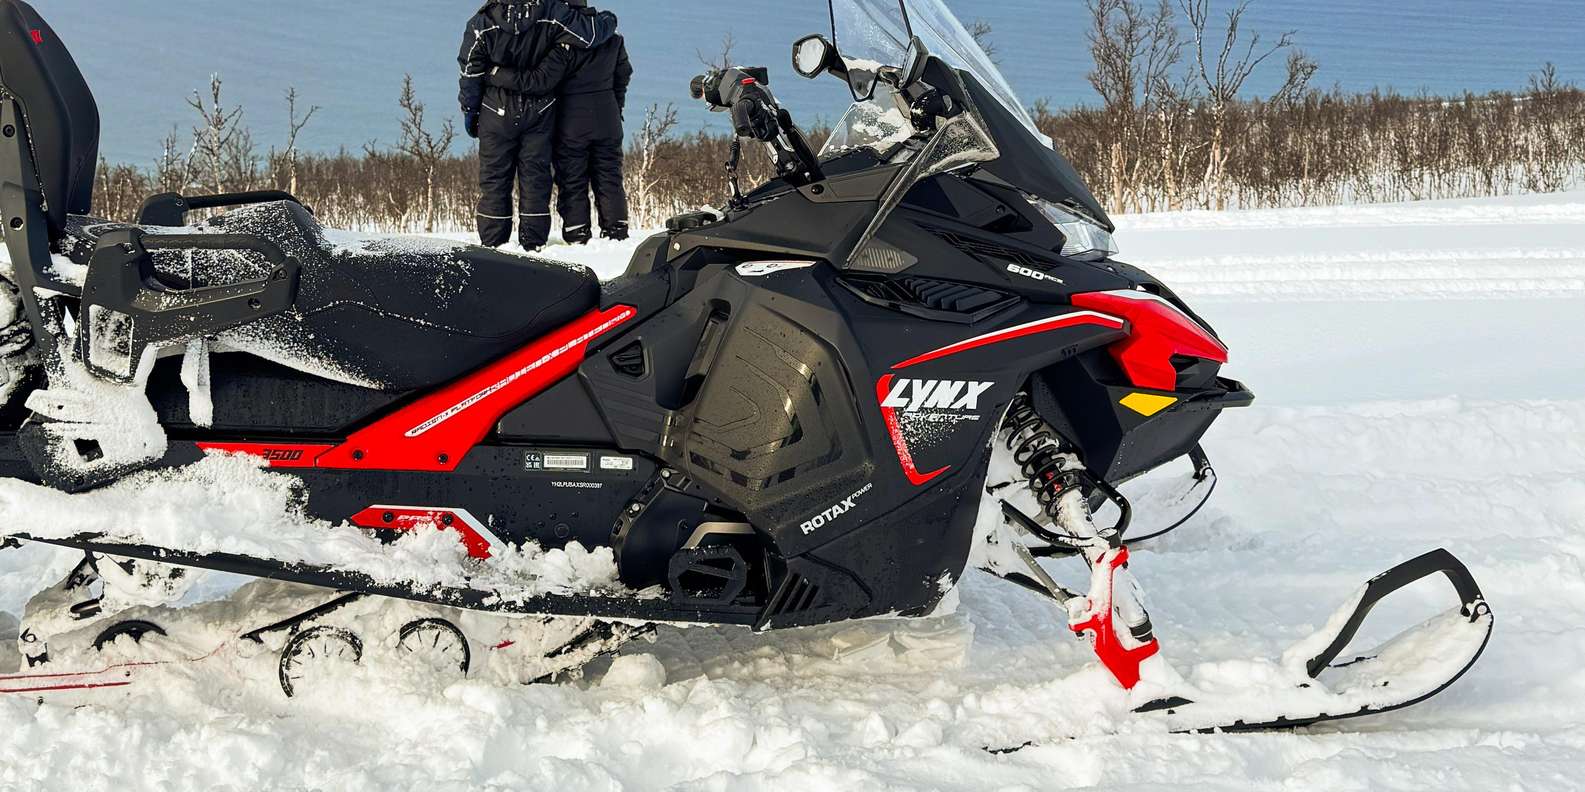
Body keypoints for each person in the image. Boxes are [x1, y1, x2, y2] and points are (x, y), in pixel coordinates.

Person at [458, 0, 615, 251]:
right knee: (536, 178)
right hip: (540, 110)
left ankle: (493, 244)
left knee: (494, 179)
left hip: (495, 110)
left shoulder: (481, 24)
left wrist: (470, 110)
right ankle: (533, 244)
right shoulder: (552, 13)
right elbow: (590, 35)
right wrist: (609, 19)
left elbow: (470, 72)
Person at [552, 1, 632, 244]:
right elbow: (623, 75)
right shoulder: (613, 38)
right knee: (610, 175)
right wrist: (616, 104)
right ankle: (616, 229)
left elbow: (549, 80)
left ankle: (577, 231)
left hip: (571, 119)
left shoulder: (561, 39)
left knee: (572, 177)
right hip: (607, 115)